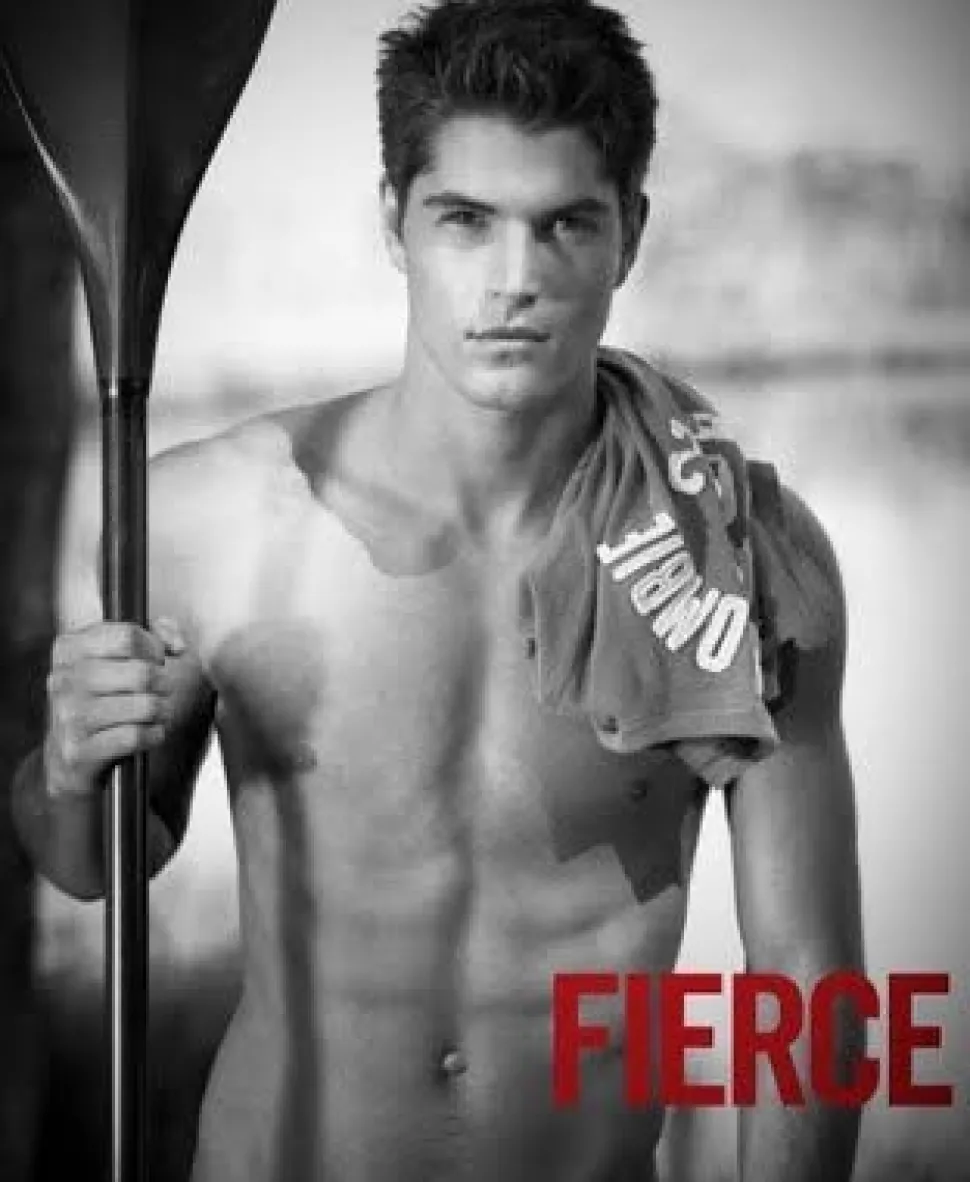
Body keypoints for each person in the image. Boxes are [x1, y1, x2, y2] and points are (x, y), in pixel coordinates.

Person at [11, 1, 866, 1179]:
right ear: (393, 222)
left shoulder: (740, 552)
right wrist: (67, 771)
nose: (515, 280)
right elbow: (90, 862)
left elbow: (807, 980)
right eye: (465, 220)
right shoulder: (210, 523)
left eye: (565, 224)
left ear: (630, 234)